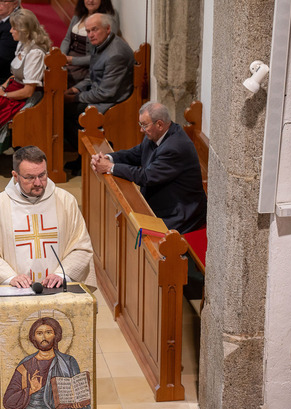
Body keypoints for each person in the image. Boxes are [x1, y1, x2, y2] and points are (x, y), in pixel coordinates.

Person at [0, 146, 95, 409]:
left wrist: (61, 273)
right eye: (30, 177)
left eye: (42, 175)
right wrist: (9, 276)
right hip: (14, 297)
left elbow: (82, 248)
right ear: (14, 176)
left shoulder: (65, 201)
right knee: (5, 359)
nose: (38, 183)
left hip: (56, 297)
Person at [90, 102, 207, 234]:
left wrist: (110, 167)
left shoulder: (175, 147)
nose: (141, 130)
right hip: (162, 201)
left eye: (144, 125)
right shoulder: (156, 135)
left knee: (136, 232)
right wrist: (108, 158)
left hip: (180, 213)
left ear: (159, 124)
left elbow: (146, 176)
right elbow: (135, 154)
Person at [63, 13, 134, 174]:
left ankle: (87, 157)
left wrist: (73, 98)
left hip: (114, 102)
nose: (90, 35)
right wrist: (75, 89)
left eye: (94, 30)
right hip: (102, 95)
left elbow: (106, 93)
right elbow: (91, 77)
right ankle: (83, 155)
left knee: (69, 112)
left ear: (108, 29)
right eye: (88, 31)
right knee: (63, 109)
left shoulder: (115, 54)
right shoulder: (100, 45)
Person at [0, 8, 51, 154]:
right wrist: (2, 87)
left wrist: (4, 95)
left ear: (24, 31)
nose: (10, 31)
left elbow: (28, 91)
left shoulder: (35, 53)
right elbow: (14, 76)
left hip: (23, 99)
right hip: (13, 89)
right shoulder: (22, 43)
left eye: (14, 28)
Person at [3, 317, 91, 409]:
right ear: (33, 337)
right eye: (39, 333)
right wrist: (30, 390)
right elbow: (8, 401)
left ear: (56, 335)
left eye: (48, 332)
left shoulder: (68, 362)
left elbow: (78, 392)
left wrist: (78, 403)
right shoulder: (25, 366)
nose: (44, 337)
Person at [59, 0, 119, 86]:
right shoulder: (79, 14)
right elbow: (67, 39)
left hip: (87, 66)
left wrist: (73, 60)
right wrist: (62, 56)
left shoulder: (107, 18)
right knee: (50, 70)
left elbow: (101, 56)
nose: (90, 1)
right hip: (68, 60)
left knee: (62, 78)